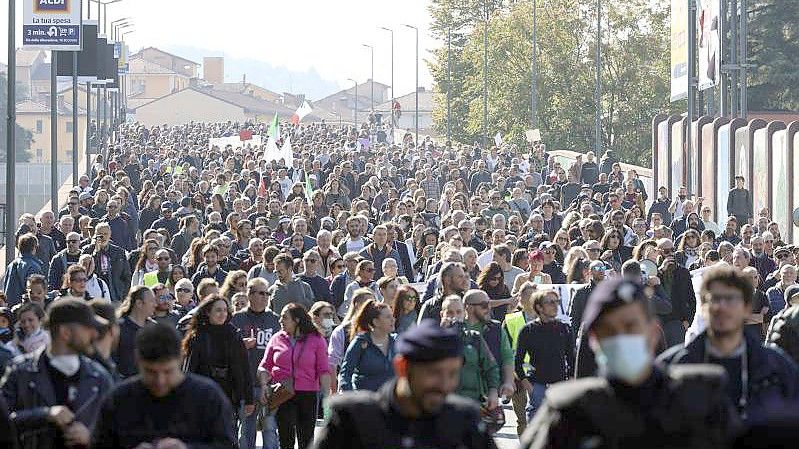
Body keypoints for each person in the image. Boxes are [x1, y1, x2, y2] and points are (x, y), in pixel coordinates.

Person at [520, 278, 738, 449]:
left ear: (653, 333)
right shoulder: (568, 412)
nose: (621, 338)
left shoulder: (701, 399)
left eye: (631, 326)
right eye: (609, 331)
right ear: (594, 340)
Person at [312, 319, 498, 449]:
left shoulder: (464, 420)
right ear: (402, 367)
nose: (444, 384)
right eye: (434, 373)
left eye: (452, 374)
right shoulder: (354, 419)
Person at [658, 265, 799, 422]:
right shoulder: (673, 367)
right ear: (703, 308)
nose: (722, 307)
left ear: (746, 308)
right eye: (715, 299)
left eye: (731, 299)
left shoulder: (777, 368)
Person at [91, 323, 237, 448]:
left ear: (180, 358)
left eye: (168, 371)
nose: (160, 381)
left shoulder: (208, 397)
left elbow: (227, 444)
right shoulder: (119, 400)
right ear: (137, 360)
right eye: (151, 372)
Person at [1, 299, 113, 449]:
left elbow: (115, 433)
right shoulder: (20, 372)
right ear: (65, 333)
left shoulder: (99, 377)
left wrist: (90, 438)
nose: (94, 333)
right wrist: (45, 415)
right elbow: (3, 423)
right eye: (87, 328)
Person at [259, 303, 332, 449]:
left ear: (297, 320)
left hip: (308, 393)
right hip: (284, 393)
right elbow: (264, 366)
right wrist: (263, 386)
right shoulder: (276, 338)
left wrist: (327, 397)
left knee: (307, 439)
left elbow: (323, 370)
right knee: (286, 438)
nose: (280, 321)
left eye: (284, 318)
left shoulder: (316, 339)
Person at [182, 294, 254, 433]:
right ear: (208, 312)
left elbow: (244, 367)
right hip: (203, 396)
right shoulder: (198, 336)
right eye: (218, 310)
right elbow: (189, 369)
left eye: (225, 310)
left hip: (228, 394)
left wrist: (248, 399)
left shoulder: (233, 334)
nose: (222, 314)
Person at [231, 278, 281, 449]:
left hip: (269, 385)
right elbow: (227, 350)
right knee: (246, 430)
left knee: (269, 428)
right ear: (249, 295)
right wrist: (240, 345)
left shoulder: (275, 320)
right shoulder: (237, 319)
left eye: (267, 293)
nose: (265, 297)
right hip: (246, 384)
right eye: (261, 293)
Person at [515, 289, 575, 422]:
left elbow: (571, 358)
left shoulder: (564, 329)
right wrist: (528, 385)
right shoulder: (528, 330)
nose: (555, 306)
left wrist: (570, 380)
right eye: (550, 302)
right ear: (539, 307)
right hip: (537, 385)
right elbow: (518, 361)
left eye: (557, 302)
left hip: (560, 385)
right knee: (536, 427)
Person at [338, 299, 396, 392]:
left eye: (392, 316)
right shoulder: (360, 342)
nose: (393, 319)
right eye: (388, 317)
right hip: (367, 401)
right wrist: (351, 397)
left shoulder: (397, 341)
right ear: (376, 322)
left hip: (391, 400)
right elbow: (345, 374)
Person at [113, 285, 157, 379]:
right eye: (151, 301)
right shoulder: (119, 327)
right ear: (139, 303)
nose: (155, 304)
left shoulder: (154, 328)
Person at [3, 233, 44, 306]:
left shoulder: (11, 265)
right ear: (34, 248)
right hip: (26, 310)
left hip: (10, 309)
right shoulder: (34, 267)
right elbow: (36, 292)